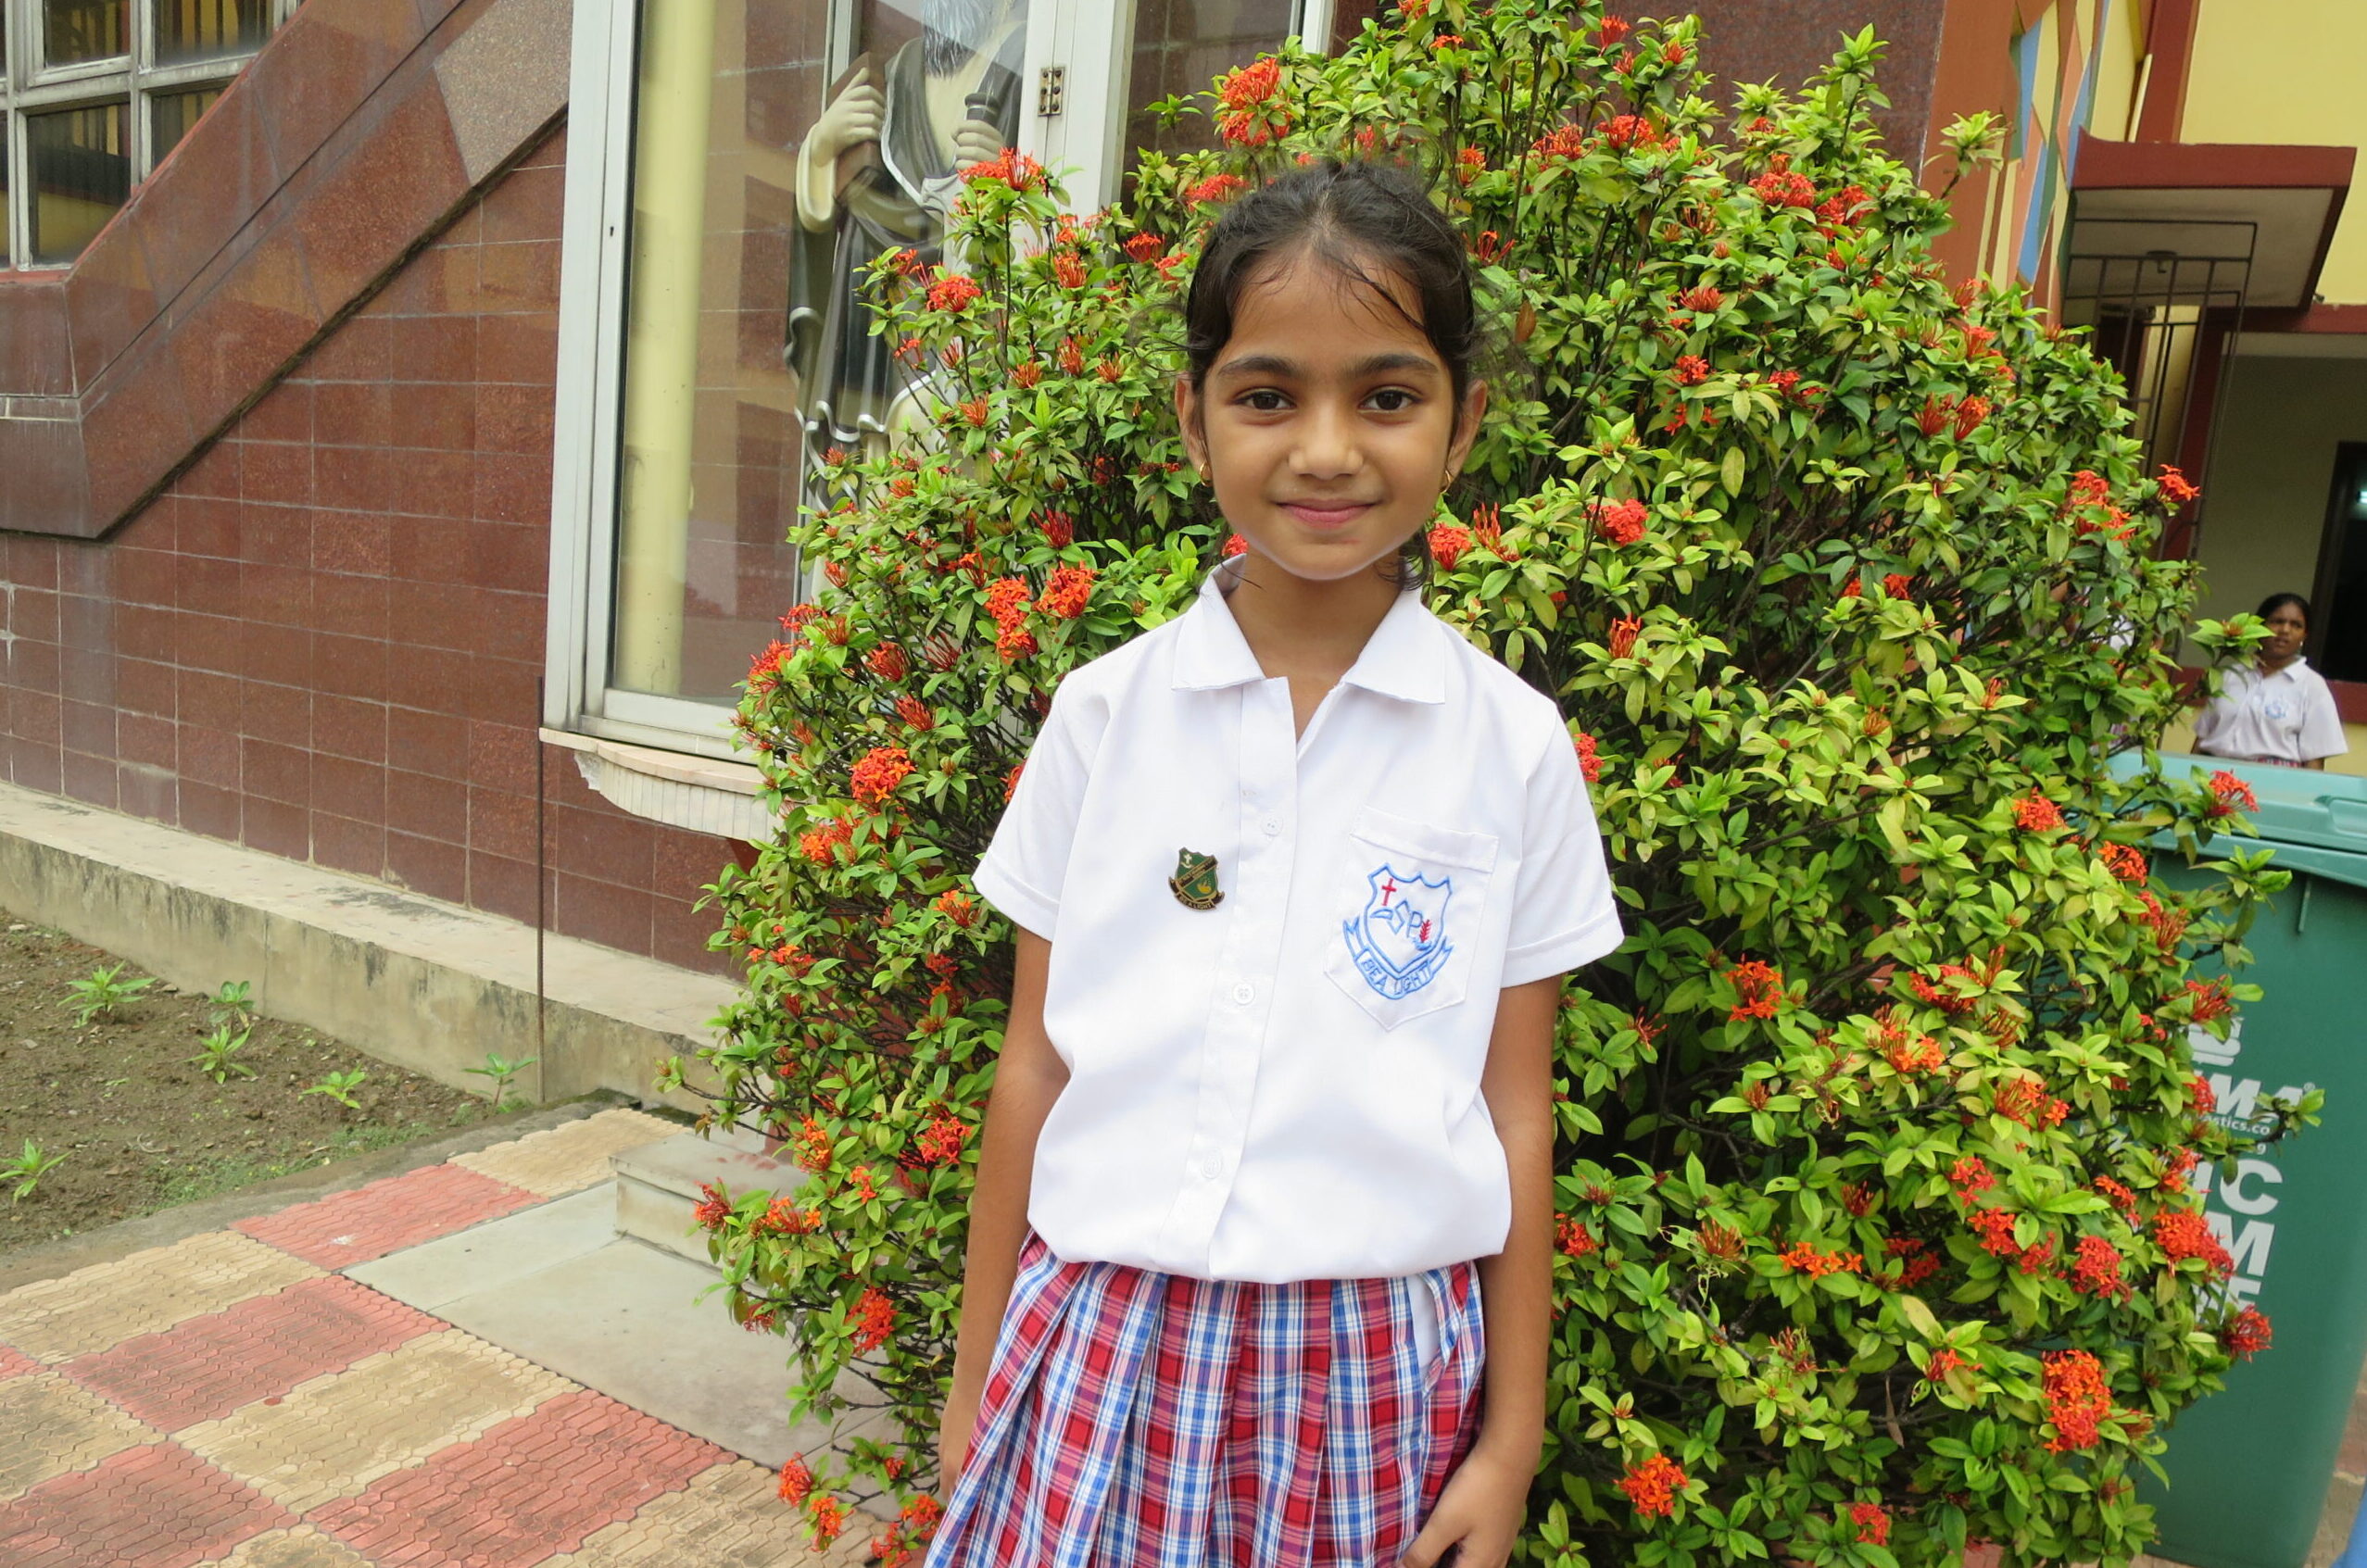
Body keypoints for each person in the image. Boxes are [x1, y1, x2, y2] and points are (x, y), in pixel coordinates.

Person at [926, 162, 1625, 1568]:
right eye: (1265, 395)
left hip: (1370, 1379)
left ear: (1461, 422)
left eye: (1386, 396)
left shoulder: (1511, 748)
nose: (1324, 449)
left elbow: (1514, 1115)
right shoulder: (1103, 718)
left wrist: (1508, 1445)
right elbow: (1034, 1064)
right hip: (1100, 1345)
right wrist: (970, 1379)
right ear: (1193, 418)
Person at [2193, 592, 2348, 769]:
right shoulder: (2230, 675)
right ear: (2259, 627)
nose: (2285, 630)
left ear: (2304, 636)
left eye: (2296, 625)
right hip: (2213, 774)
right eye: (2277, 622)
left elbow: (2315, 758)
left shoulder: (2311, 685)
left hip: (2276, 779)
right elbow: (2202, 738)